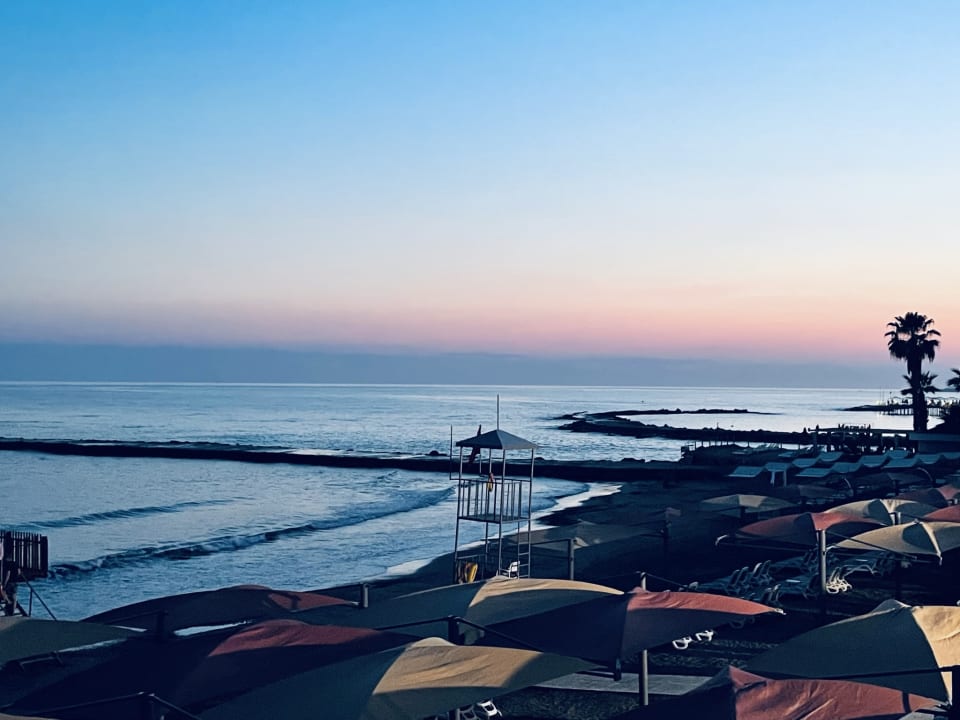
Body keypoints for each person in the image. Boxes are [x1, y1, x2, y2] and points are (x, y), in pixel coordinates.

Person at [1, 533, 20, 616]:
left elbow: (8, 574)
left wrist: (5, 583)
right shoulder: (15, 563)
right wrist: (16, 576)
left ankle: (8, 606)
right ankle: (13, 610)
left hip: (10, 582)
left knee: (6, 593)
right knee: (14, 596)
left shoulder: (7, 564)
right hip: (15, 581)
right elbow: (19, 571)